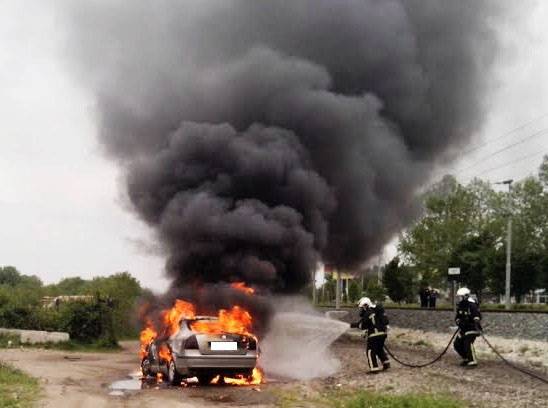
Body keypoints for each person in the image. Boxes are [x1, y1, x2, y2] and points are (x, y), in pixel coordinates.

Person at [351, 297, 390, 373]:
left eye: (362, 308)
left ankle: (374, 369)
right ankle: (386, 363)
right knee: (379, 349)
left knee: (370, 351)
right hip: (383, 334)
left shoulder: (367, 313)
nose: (361, 310)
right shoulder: (376, 311)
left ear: (366, 305)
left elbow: (362, 325)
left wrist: (350, 325)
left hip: (374, 335)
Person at [453, 287, 482, 367]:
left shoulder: (472, 305)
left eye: (460, 296)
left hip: (472, 328)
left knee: (467, 342)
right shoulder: (460, 305)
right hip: (463, 329)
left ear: (465, 296)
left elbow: (477, 316)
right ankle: (466, 358)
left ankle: (472, 361)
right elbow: (457, 317)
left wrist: (475, 320)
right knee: (457, 344)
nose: (458, 298)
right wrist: (458, 322)